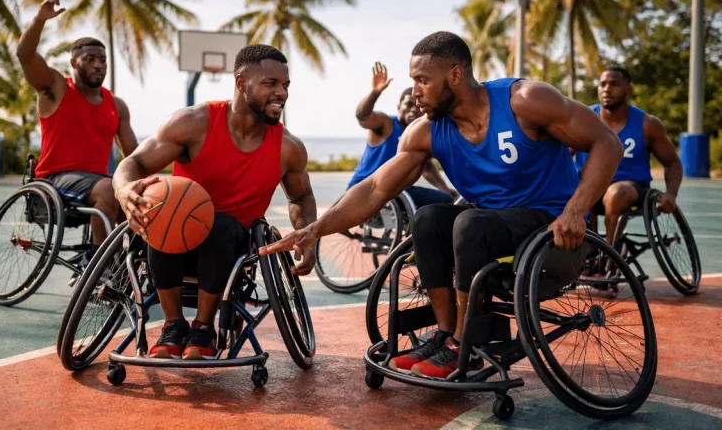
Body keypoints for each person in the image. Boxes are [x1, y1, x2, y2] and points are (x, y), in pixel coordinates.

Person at [260, 31, 623, 379]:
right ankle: (447, 335)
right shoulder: (427, 131)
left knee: (470, 223)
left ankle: (467, 340)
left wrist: (576, 211)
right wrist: (316, 229)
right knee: (429, 218)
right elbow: (373, 188)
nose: (415, 92)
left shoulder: (525, 101)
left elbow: (607, 143)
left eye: (422, 80)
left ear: (455, 75)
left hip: (553, 235)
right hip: (493, 232)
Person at [112, 44, 317, 360]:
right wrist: (124, 189)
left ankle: (203, 328)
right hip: (174, 238)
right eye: (271, 84)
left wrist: (307, 236)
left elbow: (300, 197)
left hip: (234, 248)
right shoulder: (193, 123)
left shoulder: (288, 147)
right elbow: (134, 163)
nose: (282, 93)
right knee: (162, 213)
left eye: (286, 85)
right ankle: (173, 326)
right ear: (240, 83)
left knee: (219, 224)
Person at [16, 0, 138, 276]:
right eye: (90, 59)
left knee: (130, 191)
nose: (99, 65)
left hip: (96, 184)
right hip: (54, 179)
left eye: (103, 60)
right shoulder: (56, 88)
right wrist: (40, 20)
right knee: (110, 189)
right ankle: (97, 264)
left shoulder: (116, 105)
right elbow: (25, 55)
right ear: (74, 62)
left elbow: (134, 155)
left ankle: (120, 261)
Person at [572, 67, 682, 244]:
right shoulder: (584, 118)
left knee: (616, 193)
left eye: (614, 84)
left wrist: (671, 195)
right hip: (589, 186)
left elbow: (672, 162)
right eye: (602, 84)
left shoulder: (647, 124)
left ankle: (609, 253)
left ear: (628, 90)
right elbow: (562, 154)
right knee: (581, 187)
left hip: (630, 188)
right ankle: (588, 249)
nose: (607, 89)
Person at [349, 62, 458, 207]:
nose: (413, 110)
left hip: (396, 191)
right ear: (399, 108)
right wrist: (375, 93)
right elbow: (362, 115)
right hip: (364, 187)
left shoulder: (418, 133)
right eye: (408, 105)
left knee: (446, 199)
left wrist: (445, 189)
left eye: (418, 106)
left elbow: (427, 168)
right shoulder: (386, 124)